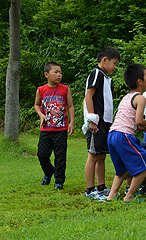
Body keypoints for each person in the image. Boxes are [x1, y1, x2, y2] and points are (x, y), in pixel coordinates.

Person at [104, 63, 146, 203]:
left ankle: (112, 195)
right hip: (124, 136)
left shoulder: (126, 97)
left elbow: (131, 122)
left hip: (112, 135)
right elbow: (139, 120)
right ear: (140, 81)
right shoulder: (140, 97)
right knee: (145, 165)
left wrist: (144, 128)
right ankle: (130, 195)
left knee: (122, 169)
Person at [83, 46, 120, 197]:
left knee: (102, 155)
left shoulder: (105, 76)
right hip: (96, 122)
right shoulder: (96, 73)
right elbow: (88, 96)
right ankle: (90, 189)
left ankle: (101, 186)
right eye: (114, 63)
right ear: (105, 60)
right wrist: (92, 119)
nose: (115, 67)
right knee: (93, 155)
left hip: (105, 121)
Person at [34, 62, 75, 190]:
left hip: (61, 129)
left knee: (60, 156)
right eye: (55, 72)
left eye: (60, 72)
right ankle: (49, 172)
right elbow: (37, 105)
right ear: (46, 74)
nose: (59, 75)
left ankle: (59, 181)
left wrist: (72, 122)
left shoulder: (65, 89)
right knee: (42, 154)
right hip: (46, 129)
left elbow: (70, 106)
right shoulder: (41, 90)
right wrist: (41, 115)